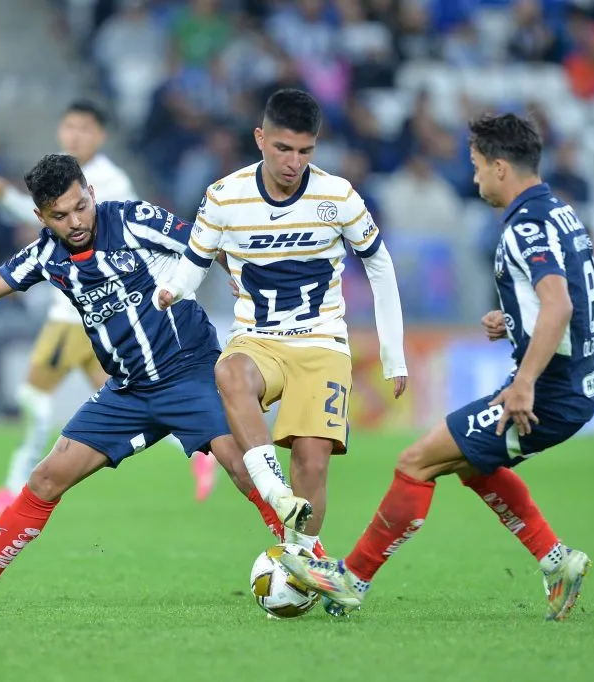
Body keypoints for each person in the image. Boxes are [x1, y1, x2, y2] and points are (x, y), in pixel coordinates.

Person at [0, 153, 287, 609]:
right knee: (45, 478)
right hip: (128, 391)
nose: (75, 222)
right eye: (60, 216)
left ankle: (314, 561)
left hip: (191, 371)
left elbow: (204, 241)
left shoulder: (134, 220)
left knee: (243, 467)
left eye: (80, 206)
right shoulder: (46, 254)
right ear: (40, 217)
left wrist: (242, 279)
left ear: (91, 192)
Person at [277, 112, 594, 621]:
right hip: (577, 385)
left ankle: (351, 579)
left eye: (477, 167)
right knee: (472, 464)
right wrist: (518, 321)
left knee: (416, 462)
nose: (474, 179)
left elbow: (561, 305)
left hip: (548, 392)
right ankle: (555, 560)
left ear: (500, 167)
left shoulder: (525, 226)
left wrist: (524, 382)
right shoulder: (563, 215)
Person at [155, 89, 409, 558]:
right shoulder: (225, 196)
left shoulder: (338, 196)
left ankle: (301, 564)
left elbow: (380, 264)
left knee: (312, 464)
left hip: (323, 342)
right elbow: (195, 261)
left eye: (305, 151)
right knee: (229, 372)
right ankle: (274, 492)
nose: (294, 162)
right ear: (260, 138)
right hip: (258, 339)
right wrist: (174, 288)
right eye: (283, 148)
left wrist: (393, 354)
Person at [0, 99, 216, 516]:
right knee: (140, 399)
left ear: (101, 136)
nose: (75, 136)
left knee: (33, 392)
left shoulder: (109, 183)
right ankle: (199, 447)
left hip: (80, 318)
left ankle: (15, 484)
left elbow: (129, 239)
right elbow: (49, 222)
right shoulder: (63, 178)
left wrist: (6, 197)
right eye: (69, 127)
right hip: (97, 321)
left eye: (84, 128)